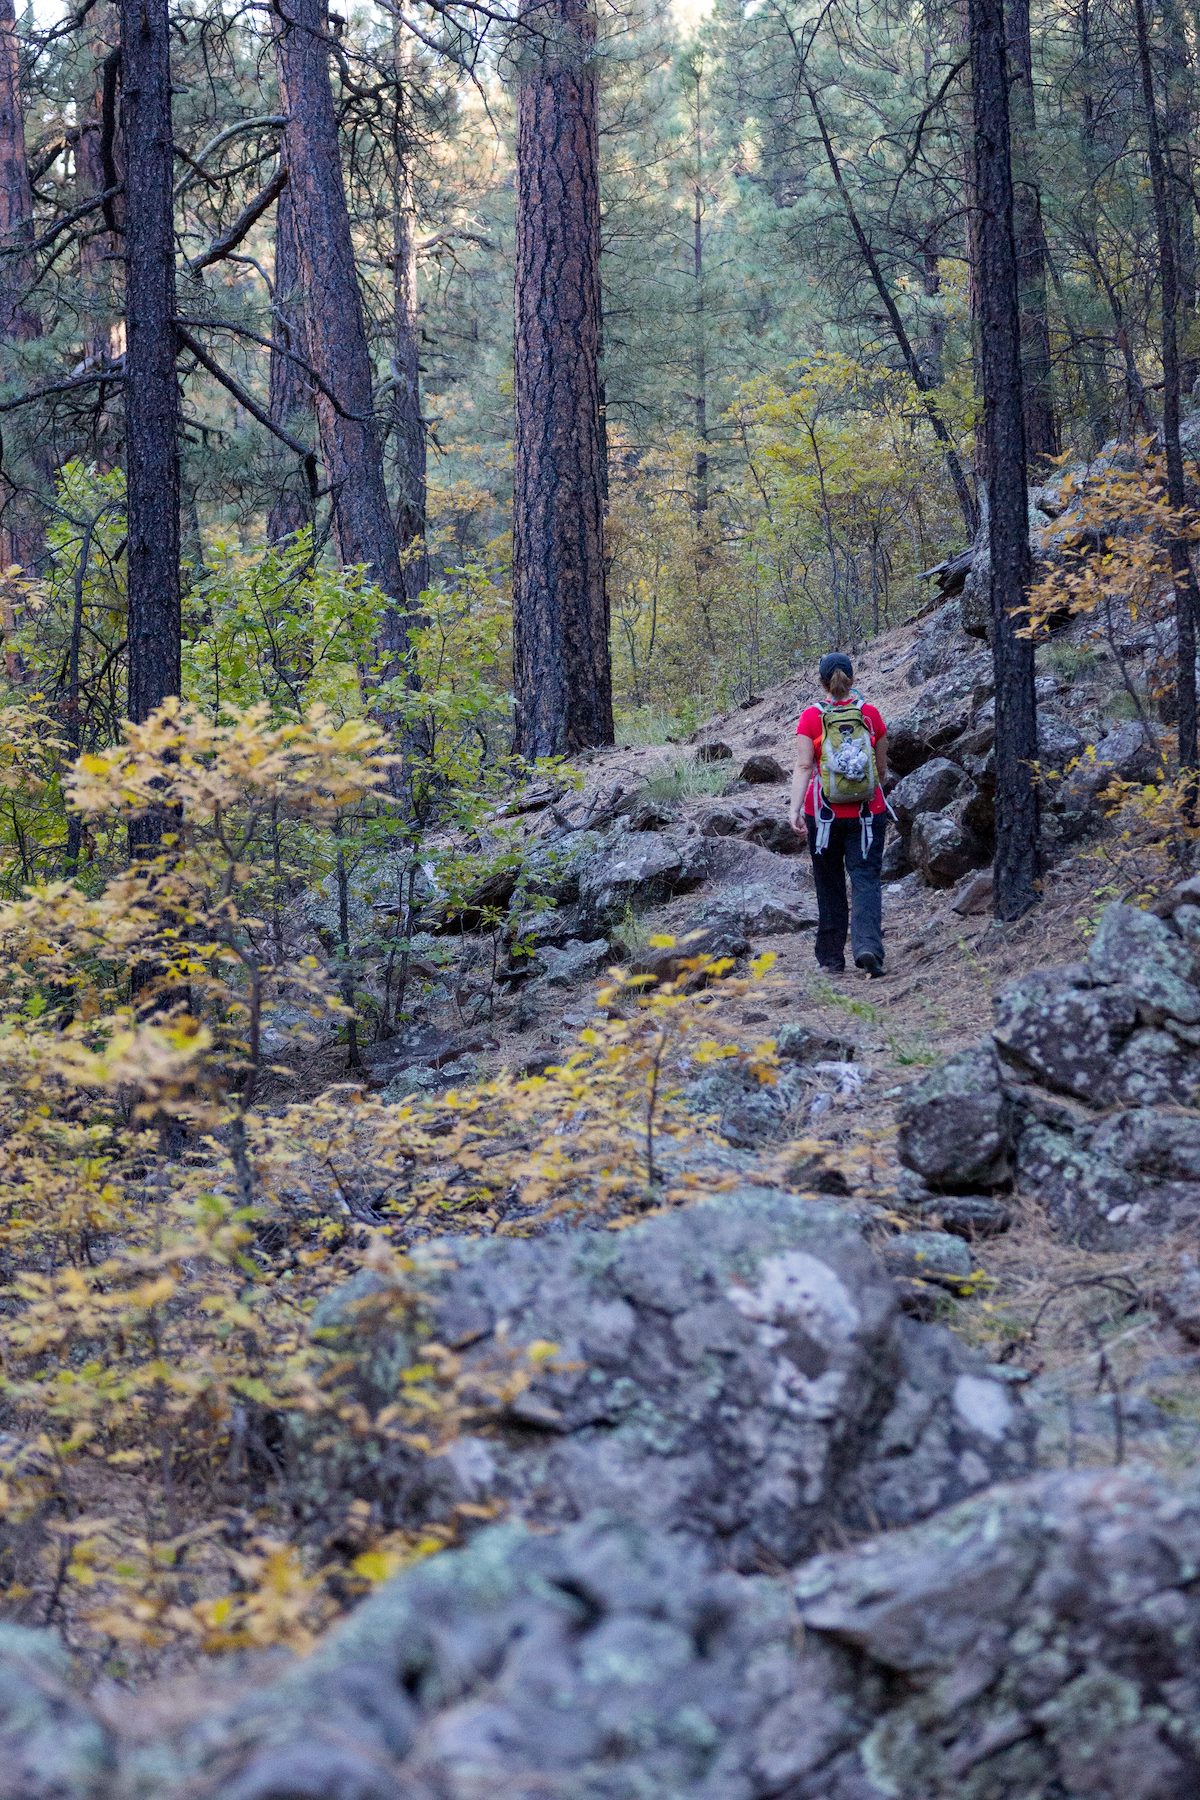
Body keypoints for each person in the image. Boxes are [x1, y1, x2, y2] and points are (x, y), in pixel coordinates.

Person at [789, 651, 889, 977]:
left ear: (822, 683)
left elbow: (805, 766)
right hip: (867, 814)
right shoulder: (870, 715)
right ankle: (868, 948)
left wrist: (795, 809)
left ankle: (831, 960)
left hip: (823, 817)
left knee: (829, 884)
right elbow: (881, 771)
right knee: (865, 880)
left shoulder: (810, 718)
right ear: (852, 679)